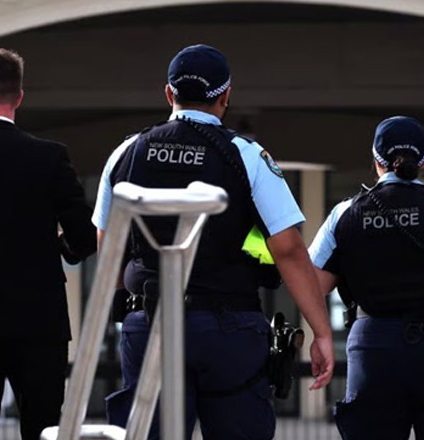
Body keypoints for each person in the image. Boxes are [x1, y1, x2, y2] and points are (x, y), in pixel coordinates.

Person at [91, 44, 334, 440]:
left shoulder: (127, 151)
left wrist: (126, 309)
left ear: (169, 94)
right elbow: (287, 249)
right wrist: (321, 331)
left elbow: (109, 246)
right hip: (229, 329)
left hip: (149, 323)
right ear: (226, 96)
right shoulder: (247, 156)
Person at [308, 116, 424, 440]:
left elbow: (314, 286)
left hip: (373, 348)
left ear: (376, 162)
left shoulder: (345, 213)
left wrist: (321, 333)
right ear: (423, 161)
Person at [0, 48, 97, 440]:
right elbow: (84, 239)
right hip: (39, 322)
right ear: (20, 97)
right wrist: (60, 245)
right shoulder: (50, 157)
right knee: (44, 428)